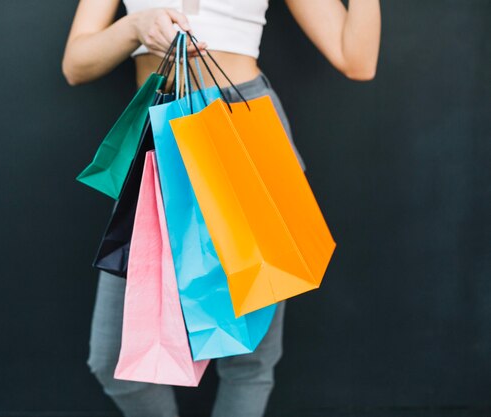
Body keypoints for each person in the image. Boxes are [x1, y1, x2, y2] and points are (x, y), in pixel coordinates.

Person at [62, 1, 381, 417]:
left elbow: (356, 59)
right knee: (115, 362)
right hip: (160, 133)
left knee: (249, 359)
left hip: (243, 129)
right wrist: (134, 27)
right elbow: (76, 64)